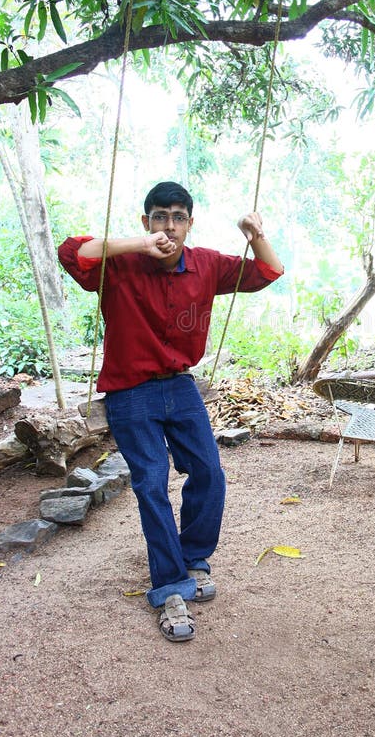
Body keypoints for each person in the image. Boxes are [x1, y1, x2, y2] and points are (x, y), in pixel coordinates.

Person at [58, 181, 283, 642]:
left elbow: (268, 270)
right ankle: (170, 585)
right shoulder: (120, 263)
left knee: (208, 471)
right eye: (159, 217)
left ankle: (194, 557)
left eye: (178, 217)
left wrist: (253, 231)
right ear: (146, 222)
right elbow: (72, 252)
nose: (169, 226)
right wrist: (141, 245)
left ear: (189, 223)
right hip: (129, 390)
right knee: (151, 482)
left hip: (180, 386)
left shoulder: (205, 264)